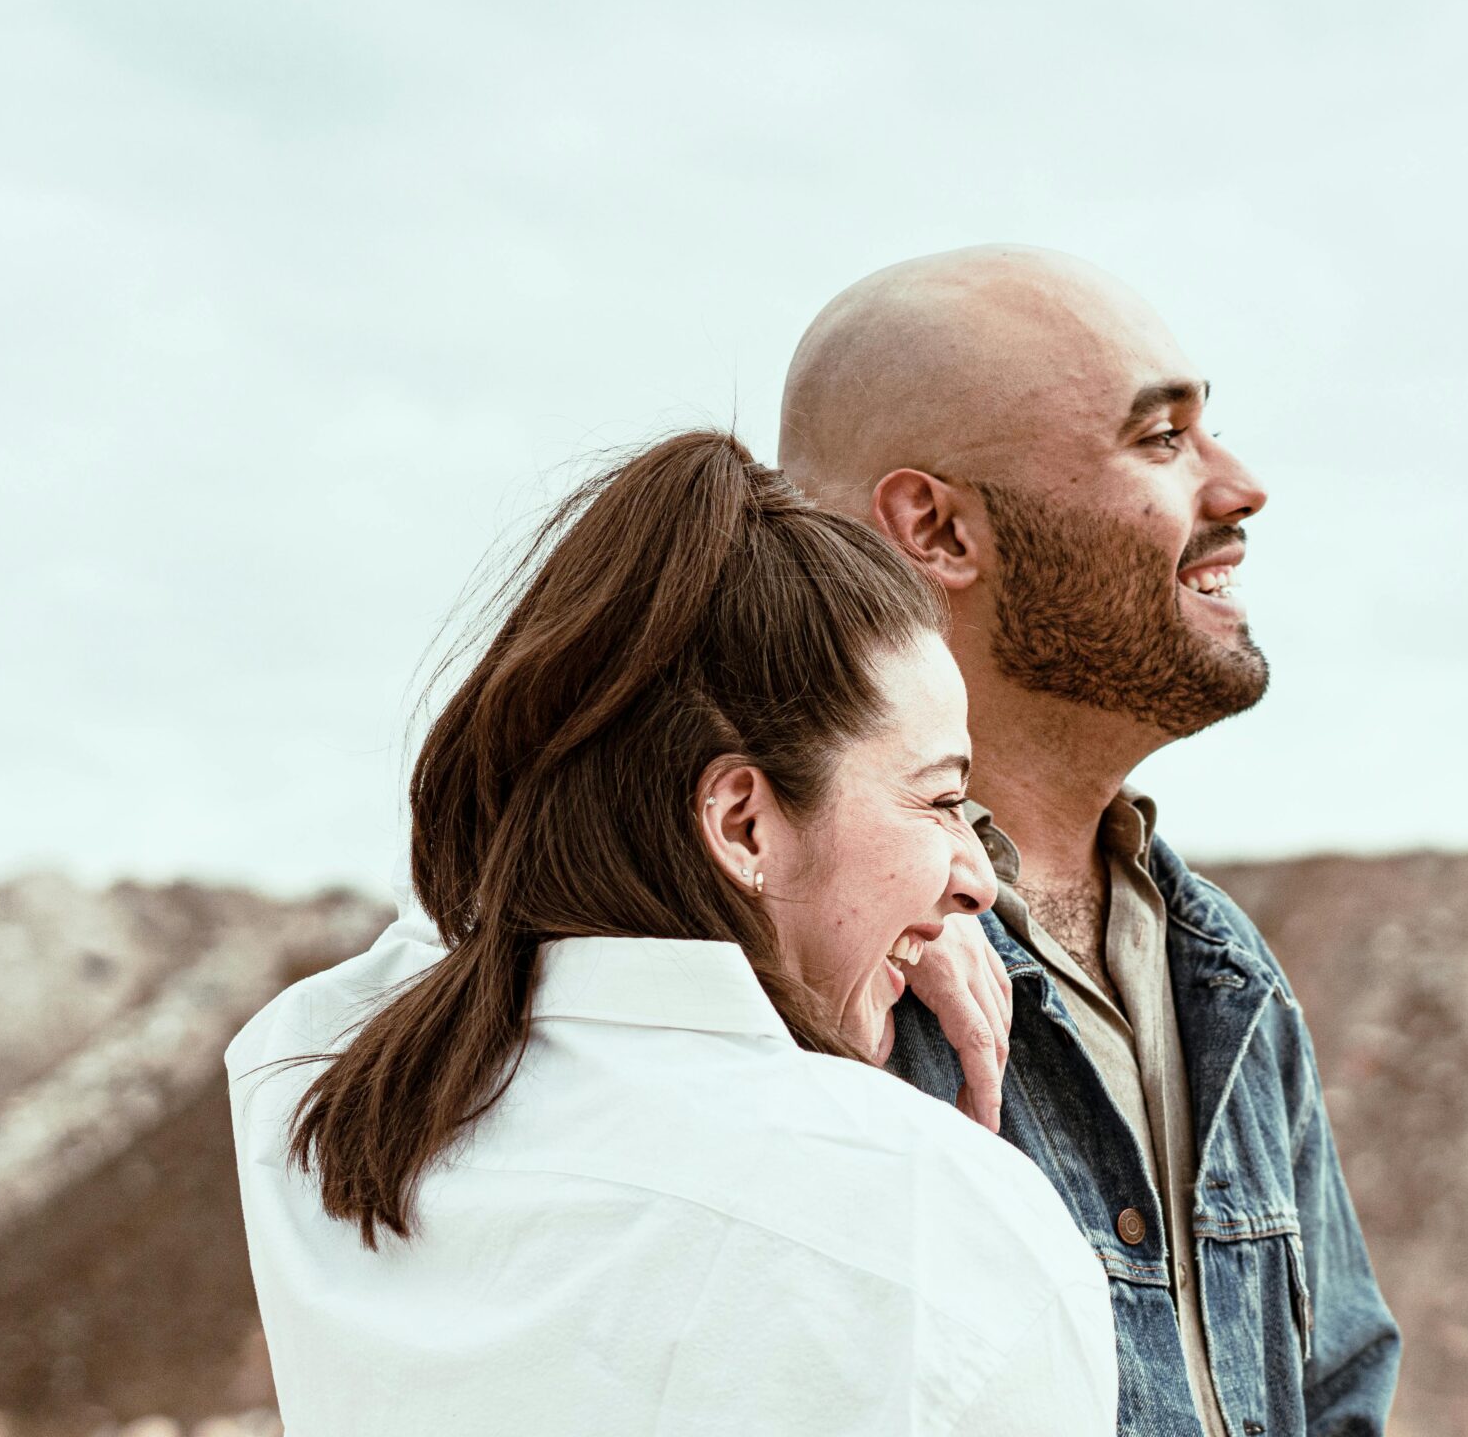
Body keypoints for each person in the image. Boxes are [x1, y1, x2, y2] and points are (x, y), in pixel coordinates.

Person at [224, 433, 1115, 1436]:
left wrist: (868, 875)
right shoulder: (937, 1218)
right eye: (944, 800)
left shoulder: (313, 1095)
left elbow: (451, 900)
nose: (975, 879)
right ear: (741, 822)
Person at [780, 246, 1401, 1437]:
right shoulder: (789, 961)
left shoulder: (1224, 972)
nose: (1241, 488)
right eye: (1161, 440)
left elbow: (1337, 1395)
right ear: (937, 529)